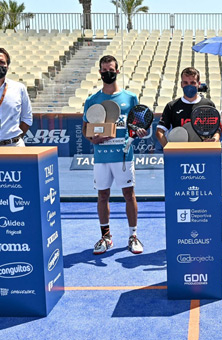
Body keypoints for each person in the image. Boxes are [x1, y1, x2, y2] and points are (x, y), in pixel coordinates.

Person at [82, 55, 147, 255]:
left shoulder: (130, 98)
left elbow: (138, 124)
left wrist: (139, 132)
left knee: (129, 195)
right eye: (104, 70)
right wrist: (92, 139)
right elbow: (85, 129)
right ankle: (106, 237)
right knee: (102, 196)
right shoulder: (92, 100)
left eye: (111, 69)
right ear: (100, 72)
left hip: (124, 156)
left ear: (117, 71)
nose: (107, 73)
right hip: (102, 157)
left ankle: (133, 236)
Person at [155, 67, 218, 147]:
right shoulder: (172, 106)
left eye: (192, 83)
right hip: (180, 153)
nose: (189, 86)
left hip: (203, 151)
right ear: (181, 84)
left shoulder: (208, 104)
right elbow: (159, 131)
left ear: (199, 84)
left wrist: (215, 139)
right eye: (185, 82)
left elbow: (216, 130)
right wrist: (168, 149)